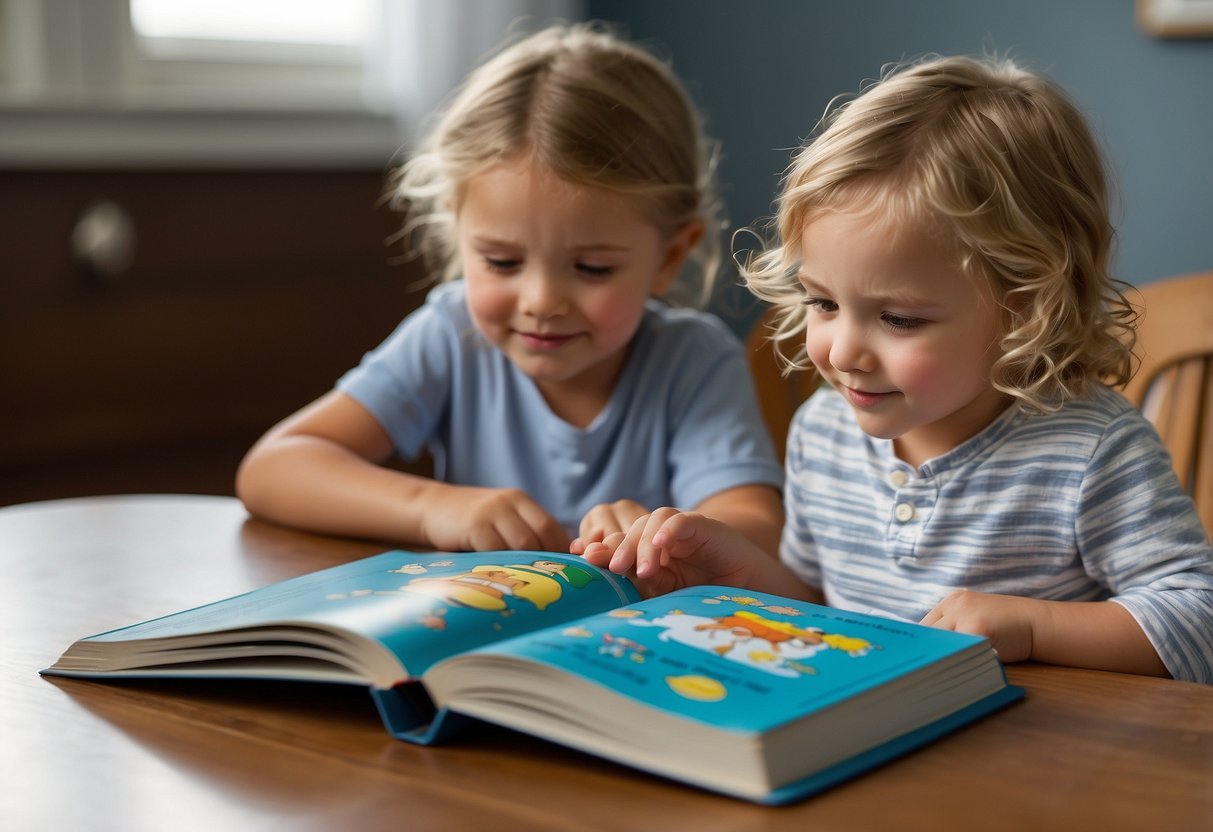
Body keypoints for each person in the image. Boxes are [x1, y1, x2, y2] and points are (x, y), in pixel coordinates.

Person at [581, 55, 1213, 684]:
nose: (843, 351)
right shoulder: (822, 432)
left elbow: (1197, 619)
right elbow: (815, 602)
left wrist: (1032, 626)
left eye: (899, 320)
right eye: (823, 303)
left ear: (1026, 306)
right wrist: (736, 570)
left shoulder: (1092, 450)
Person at [236, 23, 784, 555]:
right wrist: (431, 506)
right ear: (459, 232)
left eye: (592, 268)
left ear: (668, 256)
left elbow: (757, 523)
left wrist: (671, 535)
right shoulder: (450, 335)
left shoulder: (693, 360)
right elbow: (275, 468)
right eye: (502, 261)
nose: (541, 301)